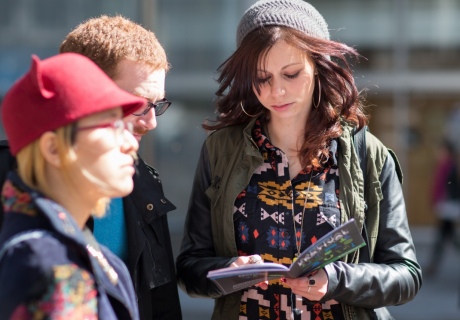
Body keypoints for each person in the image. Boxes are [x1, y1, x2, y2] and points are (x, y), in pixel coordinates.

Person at [176, 0, 422, 319]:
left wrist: (337, 279)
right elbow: (189, 268)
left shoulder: (367, 154)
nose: (276, 91)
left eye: (291, 74)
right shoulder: (220, 151)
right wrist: (228, 270)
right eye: (262, 78)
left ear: (318, 66)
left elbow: (406, 275)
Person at [0, 53, 144, 318]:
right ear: (53, 148)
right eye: (112, 124)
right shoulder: (43, 262)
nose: (131, 142)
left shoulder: (86, 253)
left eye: (125, 123)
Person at [59, 16, 182, 319]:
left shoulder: (143, 182)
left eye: (157, 105)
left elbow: (161, 304)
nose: (151, 122)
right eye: (138, 104)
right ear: (84, 93)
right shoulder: (14, 184)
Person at [426, 138, 460, 277]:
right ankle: (433, 265)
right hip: (446, 206)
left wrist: (444, 201)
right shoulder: (444, 165)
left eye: (441, 150)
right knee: (447, 236)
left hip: (448, 206)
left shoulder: (450, 166)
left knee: (444, 236)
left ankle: (433, 265)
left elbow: (450, 186)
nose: (438, 153)